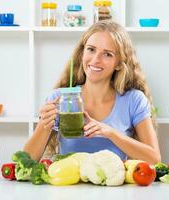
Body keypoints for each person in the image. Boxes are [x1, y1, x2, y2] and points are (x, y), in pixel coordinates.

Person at [24, 20, 161, 164]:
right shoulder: (61, 98)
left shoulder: (133, 100)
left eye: (107, 54)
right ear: (82, 53)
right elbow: (25, 162)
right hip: (68, 186)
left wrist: (111, 133)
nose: (96, 59)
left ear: (119, 64)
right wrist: (44, 126)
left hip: (113, 186)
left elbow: (154, 159)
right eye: (91, 49)